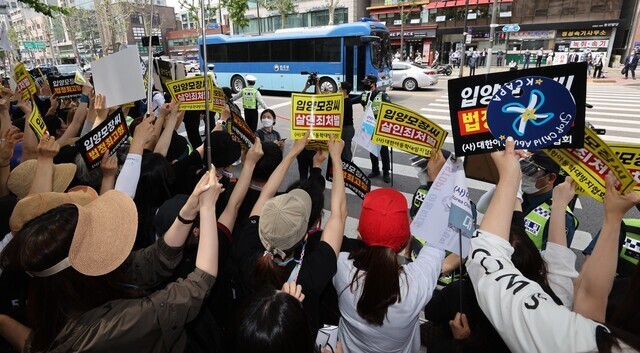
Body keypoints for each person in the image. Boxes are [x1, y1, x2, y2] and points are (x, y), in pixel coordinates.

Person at [0, 169, 224, 352]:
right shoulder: (113, 328)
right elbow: (199, 284)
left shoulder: (58, 295)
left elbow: (155, 259)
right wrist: (207, 208)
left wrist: (190, 209)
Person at [467, 137, 640, 353]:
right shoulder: (588, 333)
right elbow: (584, 293)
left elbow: (585, 293)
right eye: (526, 170)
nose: (528, 176)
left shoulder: (572, 336)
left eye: (534, 172)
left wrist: (509, 179)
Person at [333, 187, 445, 353]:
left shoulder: (340, 266)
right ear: (405, 240)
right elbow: (438, 241)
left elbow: (334, 225)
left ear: (360, 233)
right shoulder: (416, 283)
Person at [519, 152, 579, 250]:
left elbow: (556, 258)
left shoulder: (561, 217)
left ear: (550, 178)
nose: (525, 176)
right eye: (523, 169)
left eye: (532, 173)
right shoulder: (516, 196)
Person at [359, 74, 391, 183]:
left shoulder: (382, 95)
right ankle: (375, 170)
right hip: (369, 126)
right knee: (372, 149)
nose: (365, 84)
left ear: (373, 84)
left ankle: (386, 172)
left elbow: (390, 111)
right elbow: (350, 101)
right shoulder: (364, 95)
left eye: (367, 82)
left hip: (381, 127)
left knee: (384, 151)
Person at [339, 81, 355, 161]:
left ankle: (348, 169)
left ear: (344, 91)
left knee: (345, 152)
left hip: (346, 129)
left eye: (339, 89)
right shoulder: (343, 101)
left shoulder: (347, 102)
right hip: (344, 129)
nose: (338, 90)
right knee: (341, 151)